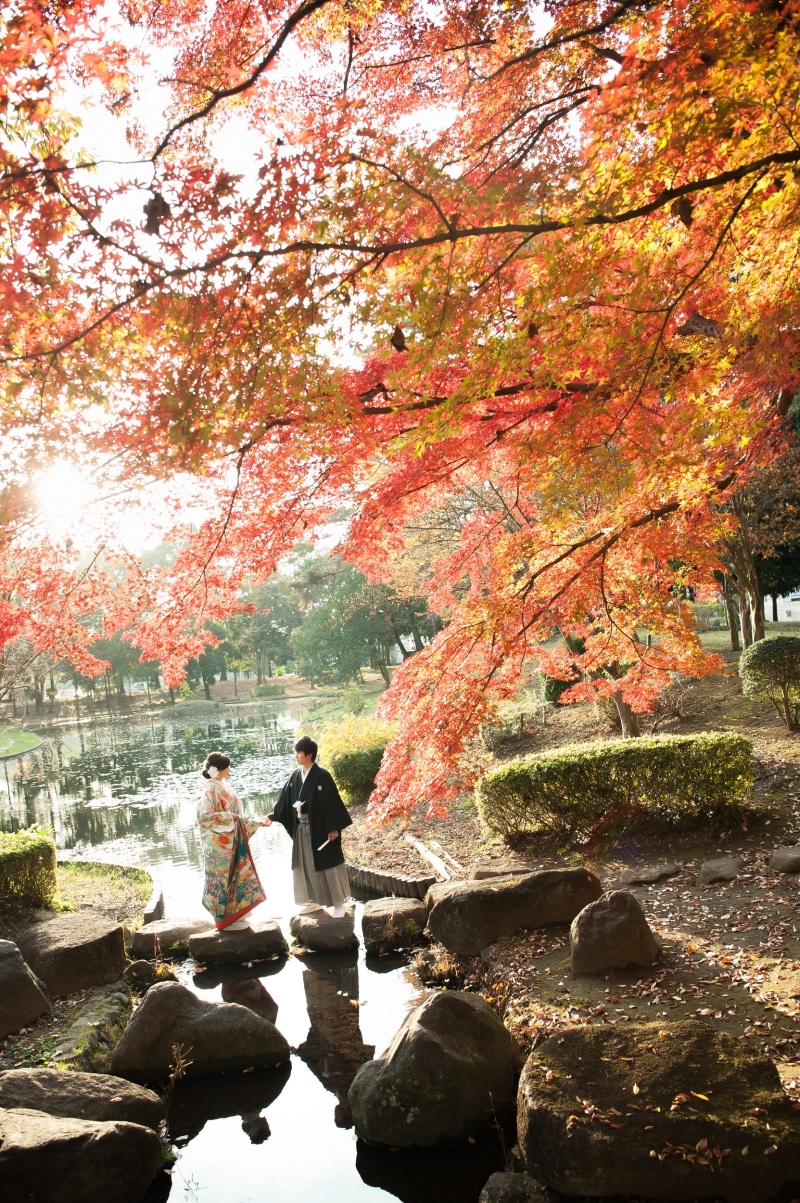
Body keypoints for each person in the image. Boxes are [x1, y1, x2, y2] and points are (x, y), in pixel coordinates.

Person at [265, 736, 352, 917]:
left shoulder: (322, 776)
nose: (296, 756)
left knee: (328, 865)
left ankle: (338, 904)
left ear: (309, 754)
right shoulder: (296, 776)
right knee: (304, 864)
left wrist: (333, 828)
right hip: (301, 828)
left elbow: (331, 803)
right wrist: (272, 816)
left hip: (320, 827)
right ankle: (313, 901)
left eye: (299, 752)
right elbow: (285, 799)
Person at [198, 751, 271, 931]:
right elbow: (205, 816)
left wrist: (254, 822)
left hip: (231, 839)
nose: (230, 769)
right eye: (227, 767)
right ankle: (224, 920)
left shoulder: (222, 785)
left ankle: (239, 915)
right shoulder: (210, 789)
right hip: (219, 844)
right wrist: (231, 817)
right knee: (222, 880)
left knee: (238, 876)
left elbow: (237, 814)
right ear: (220, 769)